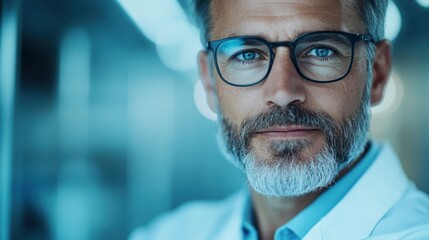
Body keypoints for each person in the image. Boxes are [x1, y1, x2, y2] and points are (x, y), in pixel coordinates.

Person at [130, 0, 429, 239]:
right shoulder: (167, 234)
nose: (283, 91)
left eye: (320, 51)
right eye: (247, 55)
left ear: (376, 74)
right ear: (209, 81)